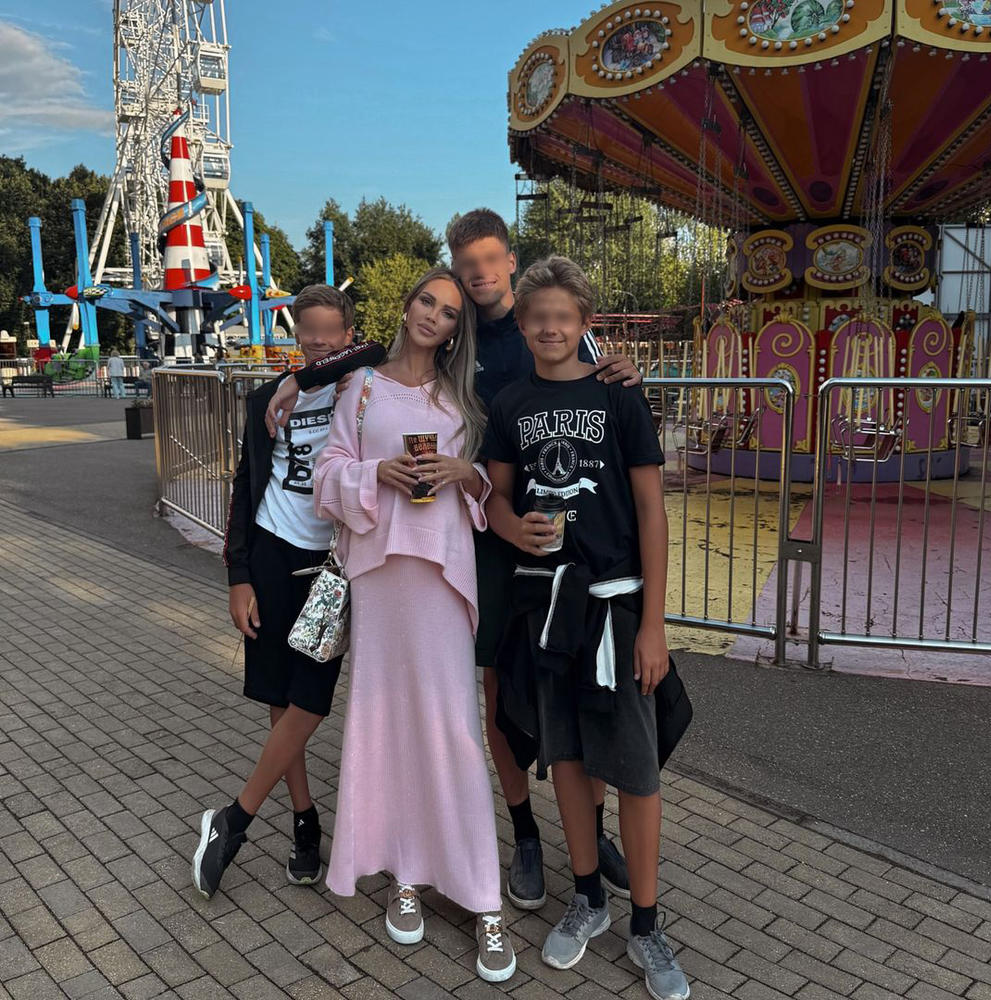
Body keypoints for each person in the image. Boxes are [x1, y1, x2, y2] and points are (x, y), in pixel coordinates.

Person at [263, 210, 642, 910]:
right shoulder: (440, 351)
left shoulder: (540, 324)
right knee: (495, 697)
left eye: (488, 262)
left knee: (573, 686)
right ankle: (524, 834)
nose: (477, 276)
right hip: (479, 539)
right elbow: (365, 361)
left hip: (554, 533)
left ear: (509, 260)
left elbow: (587, 365)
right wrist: (298, 378)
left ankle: (593, 832)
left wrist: (621, 370)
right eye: (465, 267)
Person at [483, 256, 690, 1000]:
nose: (550, 328)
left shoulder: (618, 398)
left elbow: (651, 511)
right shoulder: (510, 403)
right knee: (566, 758)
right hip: (546, 607)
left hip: (615, 604)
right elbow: (495, 499)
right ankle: (588, 897)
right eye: (537, 316)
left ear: (584, 323)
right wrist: (513, 529)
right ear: (522, 323)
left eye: (563, 316)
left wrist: (654, 625)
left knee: (635, 769)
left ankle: (647, 924)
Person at [312, 268, 516, 983]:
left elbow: (485, 486)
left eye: (449, 311)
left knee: (454, 730)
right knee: (384, 723)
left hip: (441, 575)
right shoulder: (361, 388)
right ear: (406, 307)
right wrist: (376, 475)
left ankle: (483, 897)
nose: (434, 315)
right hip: (378, 576)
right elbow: (326, 473)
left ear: (458, 329)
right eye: (427, 301)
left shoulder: (461, 397)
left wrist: (464, 474)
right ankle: (403, 871)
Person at [191, 285, 385, 899]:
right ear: (295, 333)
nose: (319, 343)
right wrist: (238, 576)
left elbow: (384, 347)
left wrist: (305, 379)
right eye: (309, 333)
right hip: (274, 555)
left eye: (331, 333)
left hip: (333, 565)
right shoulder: (263, 399)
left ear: (348, 334)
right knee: (281, 699)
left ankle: (235, 819)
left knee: (312, 700)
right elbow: (245, 489)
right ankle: (304, 820)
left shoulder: (365, 388)